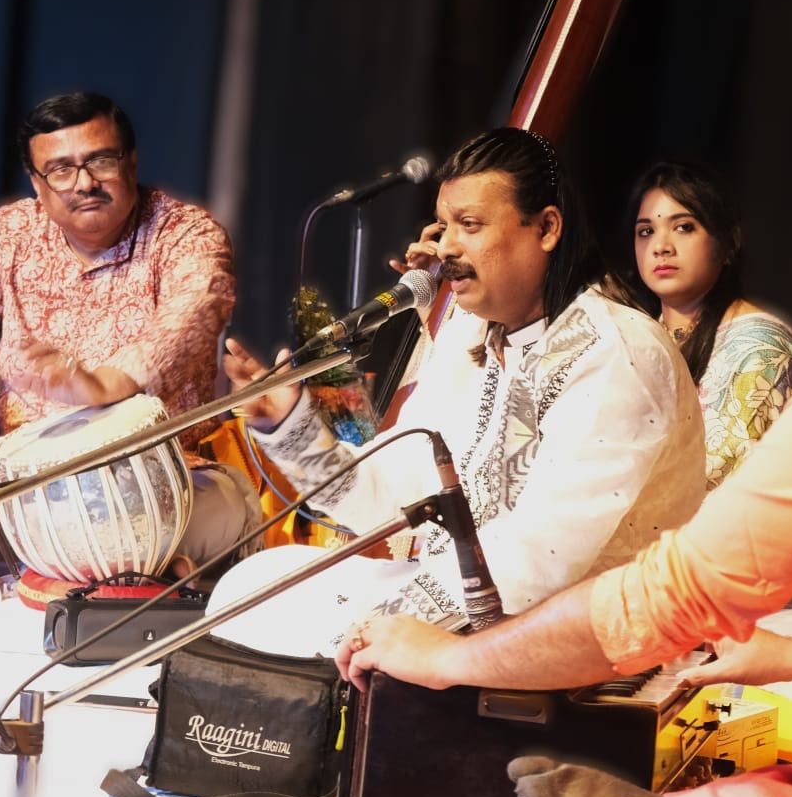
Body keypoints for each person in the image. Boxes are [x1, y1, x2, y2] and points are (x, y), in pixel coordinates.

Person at [334, 399, 792, 797]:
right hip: (534, 611)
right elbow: (375, 499)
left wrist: (450, 658)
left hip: (577, 618)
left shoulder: (623, 358)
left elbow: (662, 593)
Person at [211, 127, 705, 656]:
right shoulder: (469, 335)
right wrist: (289, 425)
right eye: (444, 226)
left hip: (577, 640)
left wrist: (377, 630)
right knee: (253, 587)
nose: (446, 246)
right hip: (463, 605)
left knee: (288, 639)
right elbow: (386, 494)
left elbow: (540, 560)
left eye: (470, 225)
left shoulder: (615, 352)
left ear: (546, 228)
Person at [0, 90, 254, 570]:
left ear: (131, 162)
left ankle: (137, 574)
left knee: (212, 512)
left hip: (158, 481)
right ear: (37, 184)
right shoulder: (8, 235)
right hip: (16, 490)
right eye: (60, 170)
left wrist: (105, 384)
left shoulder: (184, 233)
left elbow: (196, 311)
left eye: (101, 161)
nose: (84, 183)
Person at [629, 159, 792, 487]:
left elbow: (714, 480)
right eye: (646, 231)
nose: (661, 247)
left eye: (684, 227)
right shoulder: (635, 336)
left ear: (728, 243)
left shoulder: (760, 347)